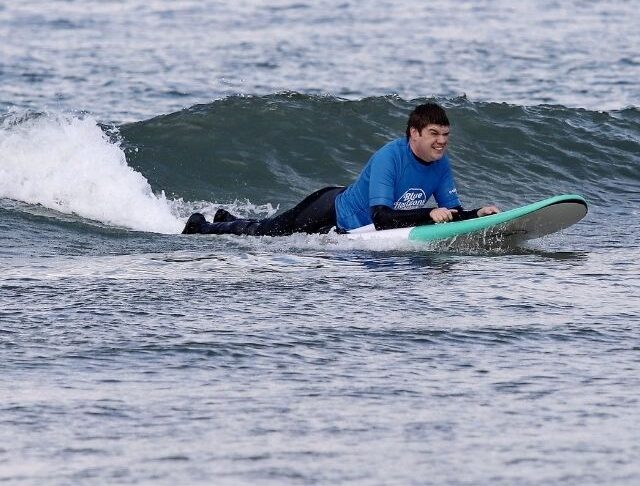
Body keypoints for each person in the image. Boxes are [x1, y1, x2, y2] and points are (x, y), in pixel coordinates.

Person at [182, 103, 499, 236]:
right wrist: (429, 213)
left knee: (269, 226)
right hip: (331, 210)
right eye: (434, 134)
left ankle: (227, 217)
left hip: (355, 224)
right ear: (414, 134)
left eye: (445, 135)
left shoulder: (440, 164)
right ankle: (204, 227)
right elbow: (382, 218)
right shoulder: (391, 157)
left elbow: (452, 211)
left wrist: (476, 214)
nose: (442, 142)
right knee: (267, 234)